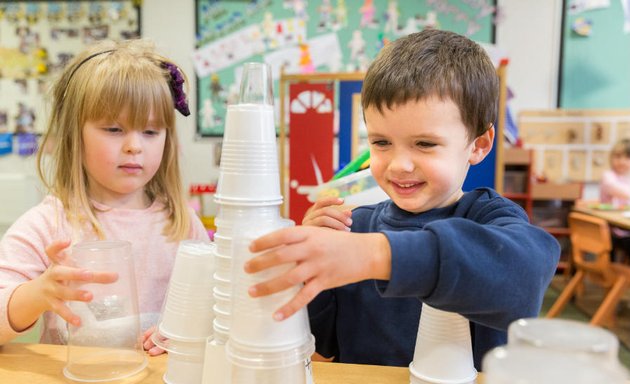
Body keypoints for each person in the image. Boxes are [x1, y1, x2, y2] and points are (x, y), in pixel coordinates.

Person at [245, 29, 560, 370]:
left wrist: (375, 255)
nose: (399, 164)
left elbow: (523, 278)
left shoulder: (490, 218)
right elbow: (324, 340)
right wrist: (311, 273)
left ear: (478, 145)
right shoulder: (355, 226)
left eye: (424, 144)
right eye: (381, 143)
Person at [0, 40, 209, 355]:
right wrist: (38, 293)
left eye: (151, 132)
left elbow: (215, 310)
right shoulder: (47, 225)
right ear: (74, 135)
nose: (134, 146)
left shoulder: (183, 225)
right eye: (114, 129)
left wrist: (187, 332)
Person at [600, 138, 630, 259]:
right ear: (611, 158)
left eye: (627, 158)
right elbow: (616, 189)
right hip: (612, 230)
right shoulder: (608, 177)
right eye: (618, 157)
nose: (622, 162)